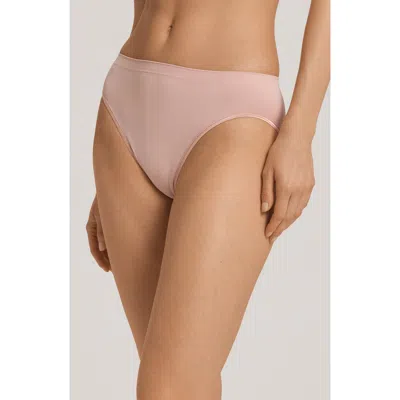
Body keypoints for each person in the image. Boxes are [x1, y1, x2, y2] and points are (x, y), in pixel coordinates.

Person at [86, 0, 330, 398]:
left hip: (233, 114)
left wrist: (301, 132)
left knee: (167, 387)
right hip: (125, 107)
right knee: (183, 384)